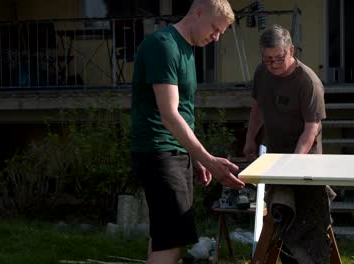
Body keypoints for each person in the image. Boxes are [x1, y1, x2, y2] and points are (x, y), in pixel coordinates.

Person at [130, 0, 245, 263]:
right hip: (158, 149)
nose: (215, 38)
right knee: (173, 240)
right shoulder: (164, 45)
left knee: (165, 236)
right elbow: (169, 114)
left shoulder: (187, 49)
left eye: (220, 33)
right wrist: (207, 159)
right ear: (199, 12)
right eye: (215, 29)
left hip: (174, 150)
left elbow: (184, 111)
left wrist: (193, 158)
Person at [243, 24, 334, 263]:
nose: (272, 65)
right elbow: (258, 108)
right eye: (267, 59)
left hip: (305, 163)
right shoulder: (262, 73)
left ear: (291, 50)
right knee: (282, 216)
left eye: (278, 59)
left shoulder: (308, 82)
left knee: (308, 224)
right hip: (275, 158)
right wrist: (250, 138)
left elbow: (311, 129)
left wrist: (294, 163)